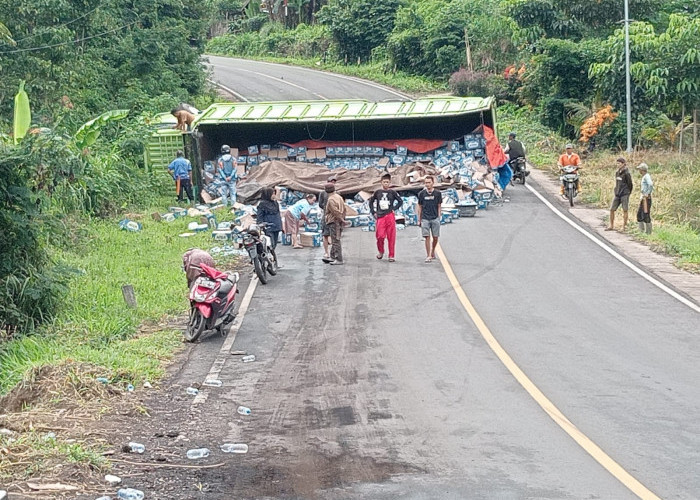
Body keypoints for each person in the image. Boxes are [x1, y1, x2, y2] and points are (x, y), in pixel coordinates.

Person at [369, 173, 403, 262]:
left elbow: (400, 201)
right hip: (380, 216)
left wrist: (394, 209)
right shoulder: (377, 192)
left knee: (391, 236)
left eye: (387, 182)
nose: (386, 184)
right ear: (381, 182)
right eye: (384, 182)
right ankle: (381, 251)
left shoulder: (393, 192)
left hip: (389, 216)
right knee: (380, 236)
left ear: (390, 183)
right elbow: (371, 201)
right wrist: (373, 212)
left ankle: (391, 255)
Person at [417, 176, 443, 262]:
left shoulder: (437, 194)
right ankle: (428, 255)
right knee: (427, 236)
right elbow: (420, 206)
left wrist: (439, 216)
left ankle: (433, 250)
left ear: (433, 183)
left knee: (435, 237)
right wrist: (419, 219)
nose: (427, 184)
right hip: (425, 218)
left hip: (435, 217)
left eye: (429, 182)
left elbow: (439, 206)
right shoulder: (421, 194)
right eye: (426, 183)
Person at [322, 183, 346, 266]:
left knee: (335, 240)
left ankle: (339, 259)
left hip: (334, 221)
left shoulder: (331, 199)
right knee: (334, 238)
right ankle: (332, 256)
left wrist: (341, 219)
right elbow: (344, 209)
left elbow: (335, 211)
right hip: (338, 220)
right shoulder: (339, 197)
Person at [606, 157, 633, 232]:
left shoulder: (627, 173)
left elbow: (630, 184)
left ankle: (624, 226)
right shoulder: (617, 173)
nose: (618, 165)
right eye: (617, 163)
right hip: (617, 194)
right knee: (612, 209)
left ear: (623, 164)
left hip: (624, 194)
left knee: (625, 210)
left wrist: (628, 192)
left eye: (619, 163)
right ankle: (611, 225)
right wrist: (616, 191)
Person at [318, 175, 338, 260]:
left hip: (335, 217)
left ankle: (334, 253)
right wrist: (327, 209)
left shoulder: (337, 194)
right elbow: (320, 204)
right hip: (326, 216)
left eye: (334, 182)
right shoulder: (322, 193)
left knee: (335, 236)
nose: (332, 183)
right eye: (331, 182)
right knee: (325, 234)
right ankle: (326, 252)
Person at [636, 162, 654, 234]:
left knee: (645, 214)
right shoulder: (645, 176)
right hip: (644, 198)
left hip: (646, 198)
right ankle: (641, 231)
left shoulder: (646, 176)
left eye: (639, 169)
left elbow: (651, 184)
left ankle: (648, 232)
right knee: (640, 214)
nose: (639, 171)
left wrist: (647, 193)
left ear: (642, 170)